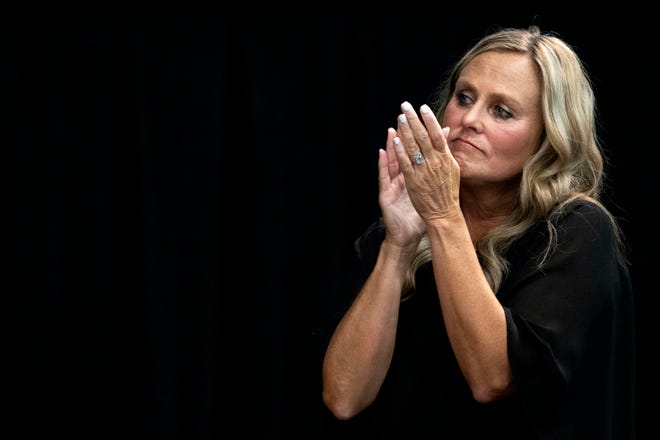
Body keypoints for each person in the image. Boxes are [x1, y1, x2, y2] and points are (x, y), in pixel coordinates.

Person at [318, 25, 635, 438]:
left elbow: (492, 378)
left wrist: (443, 214)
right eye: (463, 97)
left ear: (549, 135)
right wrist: (397, 247)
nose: (469, 119)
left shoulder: (576, 230)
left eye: (502, 111)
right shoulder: (406, 227)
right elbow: (343, 397)